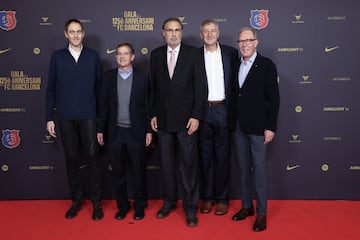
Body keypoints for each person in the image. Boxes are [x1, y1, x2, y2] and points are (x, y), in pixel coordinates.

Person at [149, 17, 206, 227]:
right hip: (163, 120)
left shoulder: (193, 53)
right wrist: (153, 114)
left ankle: (191, 208)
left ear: (181, 32)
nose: (173, 34)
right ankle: (169, 202)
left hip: (187, 121)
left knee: (189, 166)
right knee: (166, 165)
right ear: (163, 33)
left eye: (177, 30)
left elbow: (201, 87)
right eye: (169, 30)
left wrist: (196, 116)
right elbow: (153, 89)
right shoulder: (155, 55)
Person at [45, 18, 104, 220]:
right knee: (71, 160)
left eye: (79, 31)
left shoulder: (93, 56)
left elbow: (100, 89)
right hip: (65, 118)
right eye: (72, 32)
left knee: (93, 159)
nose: (76, 35)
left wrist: (100, 119)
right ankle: (77, 201)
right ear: (66, 34)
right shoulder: (57, 57)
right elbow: (50, 89)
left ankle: (97, 203)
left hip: (89, 116)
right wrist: (49, 118)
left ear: (83, 33)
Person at [230, 27, 280, 232]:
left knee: (258, 170)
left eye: (249, 40)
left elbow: (274, 99)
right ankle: (246, 206)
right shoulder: (235, 64)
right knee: (243, 169)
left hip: (259, 128)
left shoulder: (267, 65)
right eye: (241, 41)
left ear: (256, 42)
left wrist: (270, 127)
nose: (245, 44)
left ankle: (261, 213)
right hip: (238, 127)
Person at [97, 42, 152, 221]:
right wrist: (100, 130)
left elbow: (148, 106)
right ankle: (122, 205)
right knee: (118, 173)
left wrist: (148, 131)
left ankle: (140, 205)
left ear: (133, 57)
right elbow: (103, 106)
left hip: (136, 132)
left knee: (138, 173)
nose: (122, 57)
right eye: (119, 53)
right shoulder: (108, 77)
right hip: (115, 132)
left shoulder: (143, 76)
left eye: (126, 53)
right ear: (116, 57)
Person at [198, 19, 238, 216]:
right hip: (203, 112)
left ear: (218, 32)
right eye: (206, 31)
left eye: (213, 31)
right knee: (205, 158)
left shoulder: (231, 53)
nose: (209, 34)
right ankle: (207, 198)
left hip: (223, 109)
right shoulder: (195, 55)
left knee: (222, 157)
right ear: (201, 34)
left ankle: (222, 199)